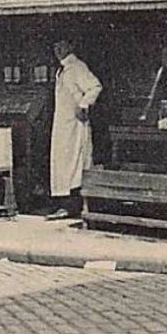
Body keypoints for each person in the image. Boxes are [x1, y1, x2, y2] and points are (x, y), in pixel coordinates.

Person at [48, 39, 103, 220]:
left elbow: (95, 86)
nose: (58, 49)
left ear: (71, 47)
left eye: (62, 46)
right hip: (63, 124)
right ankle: (64, 205)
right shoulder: (62, 69)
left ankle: (72, 206)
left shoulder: (77, 67)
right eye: (56, 46)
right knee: (63, 164)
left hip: (74, 125)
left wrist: (84, 104)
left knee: (74, 164)